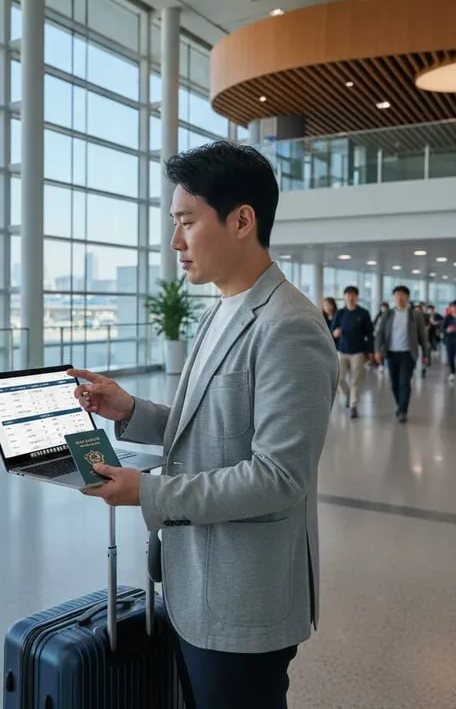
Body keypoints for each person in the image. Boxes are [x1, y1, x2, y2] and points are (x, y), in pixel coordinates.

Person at [68, 142, 338, 709]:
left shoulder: (290, 326)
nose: (175, 242)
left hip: (244, 600)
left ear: (242, 220)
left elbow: (278, 477)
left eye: (187, 222)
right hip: (197, 586)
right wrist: (132, 411)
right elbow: (212, 429)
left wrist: (150, 491)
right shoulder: (221, 308)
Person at [375, 286, 430, 423]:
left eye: (403, 295)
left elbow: (423, 336)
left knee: (404, 382)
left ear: (407, 298)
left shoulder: (415, 315)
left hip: (407, 354)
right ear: (394, 298)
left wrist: (426, 354)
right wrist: (377, 350)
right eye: (397, 295)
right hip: (392, 354)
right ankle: (400, 404)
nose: (400, 298)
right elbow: (380, 334)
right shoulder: (388, 314)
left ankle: (402, 410)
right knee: (394, 384)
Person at [331, 286, 374, 418]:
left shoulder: (363, 313)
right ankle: (349, 395)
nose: (350, 297)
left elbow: (370, 334)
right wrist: (335, 333)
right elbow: (332, 330)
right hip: (342, 351)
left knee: (356, 380)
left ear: (357, 297)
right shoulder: (340, 313)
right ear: (344, 297)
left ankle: (353, 405)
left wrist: (370, 351)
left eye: (353, 295)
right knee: (340, 378)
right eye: (348, 295)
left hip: (358, 351)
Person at [443, 301, 456, 384]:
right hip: (450, 340)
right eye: (453, 306)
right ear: (450, 308)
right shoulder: (448, 317)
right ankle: (452, 373)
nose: (454, 308)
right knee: (450, 357)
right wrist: (447, 330)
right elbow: (442, 328)